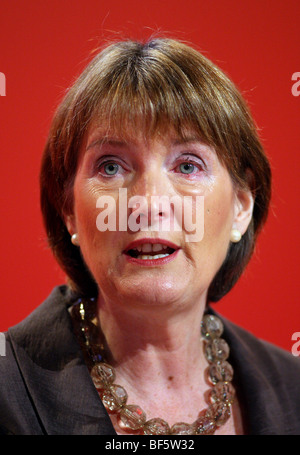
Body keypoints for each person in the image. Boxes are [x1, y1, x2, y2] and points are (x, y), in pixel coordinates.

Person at [0, 37, 299, 436]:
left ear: (240, 208)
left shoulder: (293, 389)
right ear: (69, 210)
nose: (149, 202)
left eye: (188, 165)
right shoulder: (7, 388)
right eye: (110, 167)